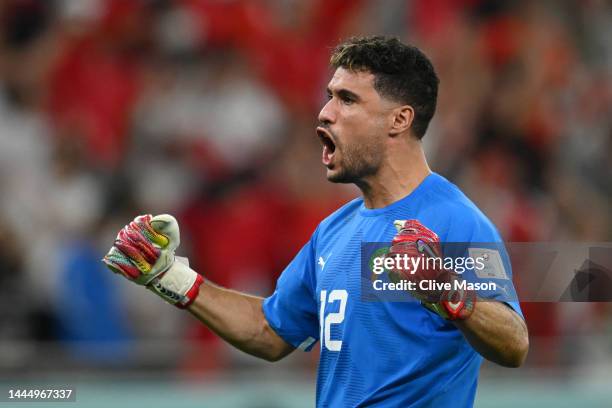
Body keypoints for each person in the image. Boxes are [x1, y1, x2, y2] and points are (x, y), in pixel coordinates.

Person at [103, 36, 529, 407]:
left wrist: (447, 291)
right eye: (329, 96)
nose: (325, 113)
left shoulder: (458, 222)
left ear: (399, 120)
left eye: (347, 99)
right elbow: (270, 330)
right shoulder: (333, 232)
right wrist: (170, 276)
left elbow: (514, 343)